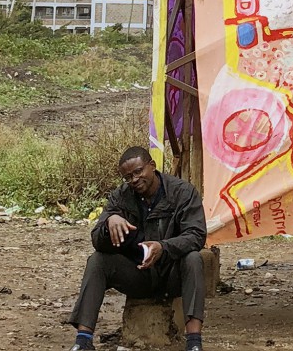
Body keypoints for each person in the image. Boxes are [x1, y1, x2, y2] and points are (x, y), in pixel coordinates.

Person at [67, 146, 207, 351]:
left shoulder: (182, 192)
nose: (134, 179)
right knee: (97, 260)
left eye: (138, 171)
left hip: (172, 274)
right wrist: (109, 222)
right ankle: (83, 340)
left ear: (152, 166)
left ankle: (194, 342)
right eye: (128, 177)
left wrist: (164, 247)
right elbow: (97, 240)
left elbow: (196, 235)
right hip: (137, 275)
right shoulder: (120, 197)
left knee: (194, 259)